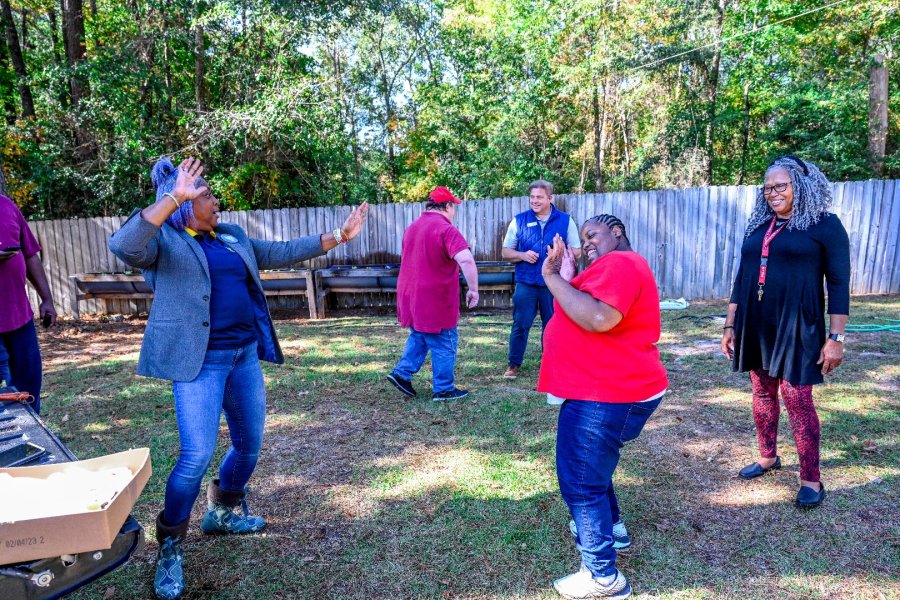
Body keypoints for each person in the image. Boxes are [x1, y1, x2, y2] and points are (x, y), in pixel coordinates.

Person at [109, 157, 368, 600]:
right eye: (206, 194)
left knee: (249, 445)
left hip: (243, 357)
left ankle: (223, 512)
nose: (215, 201)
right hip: (200, 364)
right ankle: (170, 546)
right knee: (196, 456)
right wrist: (174, 198)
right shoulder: (164, 244)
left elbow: (284, 250)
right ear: (185, 205)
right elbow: (124, 245)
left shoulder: (231, 237)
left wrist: (340, 236)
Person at [537, 215, 667, 600]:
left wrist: (552, 277)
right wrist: (570, 274)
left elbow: (598, 317)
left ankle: (603, 578)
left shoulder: (622, 263)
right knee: (593, 466)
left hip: (606, 392)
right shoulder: (612, 268)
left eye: (592, 234)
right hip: (603, 388)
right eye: (582, 238)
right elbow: (584, 305)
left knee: (581, 482)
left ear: (618, 231)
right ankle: (612, 528)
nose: (586, 242)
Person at [722, 155, 849, 509]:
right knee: (762, 392)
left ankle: (811, 479)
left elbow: (839, 284)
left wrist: (836, 339)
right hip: (756, 323)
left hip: (798, 325)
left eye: (780, 186)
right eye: (767, 188)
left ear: (800, 186)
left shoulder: (825, 225)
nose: (773, 194)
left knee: (797, 398)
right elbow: (741, 278)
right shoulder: (759, 226)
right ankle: (767, 456)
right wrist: (731, 323)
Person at [386, 186, 479, 401]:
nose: (454, 211)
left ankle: (402, 373)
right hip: (434, 297)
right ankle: (444, 388)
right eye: (453, 206)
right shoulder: (446, 229)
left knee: (420, 334)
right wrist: (473, 289)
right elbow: (465, 259)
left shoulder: (413, 227)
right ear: (446, 206)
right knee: (445, 340)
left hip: (410, 294)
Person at [500, 180, 580, 396]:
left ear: (550, 198)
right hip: (526, 282)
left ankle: (552, 365)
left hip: (554, 284)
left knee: (553, 325)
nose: (535, 201)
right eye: (532, 197)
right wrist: (522, 255)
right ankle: (514, 364)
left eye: (539, 197)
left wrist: (560, 252)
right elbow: (506, 251)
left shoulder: (565, 220)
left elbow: (578, 251)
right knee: (520, 324)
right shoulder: (519, 221)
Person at [0, 194, 57, 412]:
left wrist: (47, 299)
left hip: (20, 319)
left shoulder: (6, 205)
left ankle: (33, 441)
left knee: (29, 388)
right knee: (4, 395)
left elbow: (30, 254)